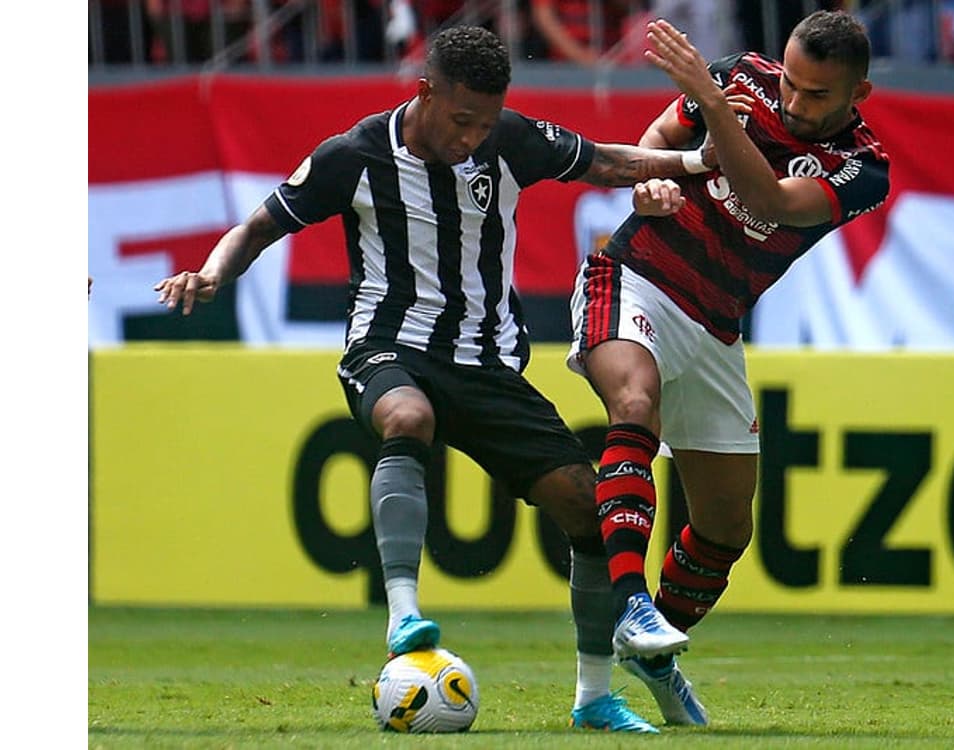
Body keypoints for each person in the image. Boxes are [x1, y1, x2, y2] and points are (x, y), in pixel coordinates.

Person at [153, 24, 720, 734]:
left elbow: (603, 160)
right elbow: (261, 225)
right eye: (461, 120)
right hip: (389, 346)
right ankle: (403, 615)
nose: (472, 136)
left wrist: (698, 160)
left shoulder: (506, 139)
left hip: (485, 363)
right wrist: (211, 272)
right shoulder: (354, 156)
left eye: (485, 121)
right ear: (425, 92)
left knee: (587, 505)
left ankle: (594, 698)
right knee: (407, 419)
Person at [566, 11, 890, 726]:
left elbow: (771, 201)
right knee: (633, 401)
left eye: (817, 97)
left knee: (724, 527)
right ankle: (633, 606)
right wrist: (651, 182)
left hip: (715, 326)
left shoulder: (865, 170)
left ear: (857, 93)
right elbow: (656, 144)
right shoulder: (741, 77)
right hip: (636, 277)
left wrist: (716, 113)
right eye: (793, 84)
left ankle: (655, 658)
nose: (796, 104)